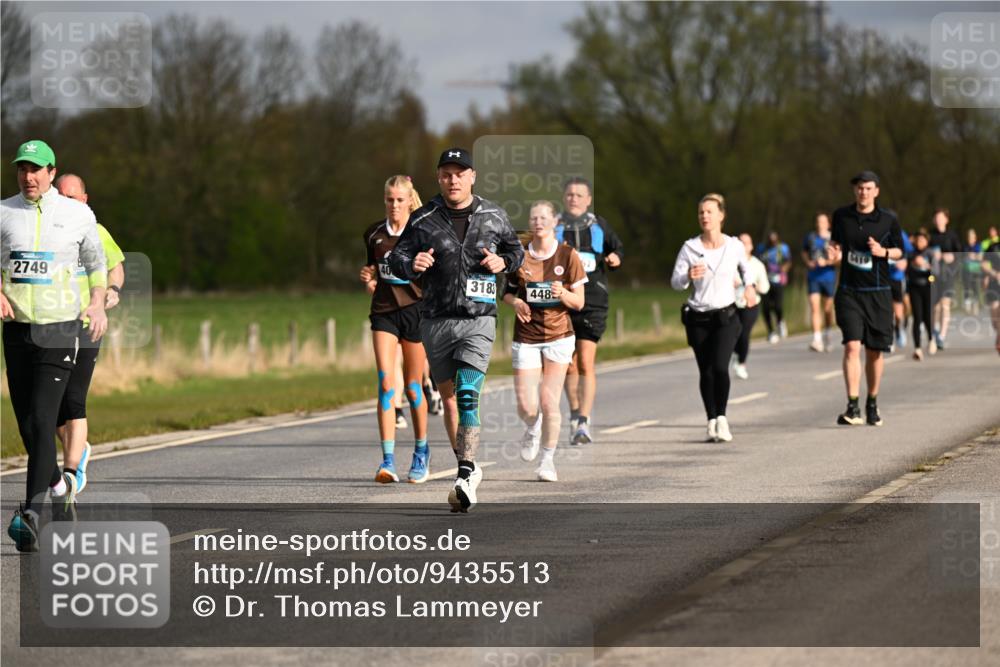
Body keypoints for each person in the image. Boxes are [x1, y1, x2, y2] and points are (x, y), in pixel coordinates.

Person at [388, 148, 523, 512]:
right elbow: (396, 258)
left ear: (472, 176)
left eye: (460, 173)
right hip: (435, 320)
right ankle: (469, 465)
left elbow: (516, 251)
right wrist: (412, 262)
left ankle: (464, 472)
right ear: (438, 178)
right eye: (446, 173)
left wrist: (503, 261)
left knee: (466, 393)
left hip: (479, 318)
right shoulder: (424, 217)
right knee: (448, 398)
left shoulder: (494, 215)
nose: (453, 180)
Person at [2, 140, 108, 551]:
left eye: (36, 169)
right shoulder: (4, 212)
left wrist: (98, 303)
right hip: (17, 330)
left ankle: (30, 513)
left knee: (46, 420)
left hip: (61, 330)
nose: (28, 176)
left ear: (51, 172)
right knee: (28, 426)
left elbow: (97, 266)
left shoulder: (78, 214)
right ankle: (61, 487)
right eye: (21, 169)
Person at [502, 201, 586, 481]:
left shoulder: (567, 255)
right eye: (534, 217)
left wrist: (562, 293)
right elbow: (506, 293)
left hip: (559, 336)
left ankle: (547, 461)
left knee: (549, 401)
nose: (538, 222)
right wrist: (515, 303)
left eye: (543, 217)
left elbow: (579, 303)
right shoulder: (520, 257)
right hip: (526, 335)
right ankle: (532, 426)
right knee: (527, 405)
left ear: (554, 222)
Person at [53, 173, 126, 494]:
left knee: (73, 398)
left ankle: (71, 473)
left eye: (72, 197)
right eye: (60, 196)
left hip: (86, 325)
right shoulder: (48, 235)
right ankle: (79, 448)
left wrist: (112, 290)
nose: (65, 203)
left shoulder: (96, 231)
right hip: (52, 324)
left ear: (84, 200)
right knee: (47, 408)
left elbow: (117, 266)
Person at [360, 175, 430, 484]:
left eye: (400, 200)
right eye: (390, 200)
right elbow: (374, 272)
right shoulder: (373, 234)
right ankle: (387, 461)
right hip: (385, 312)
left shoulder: (423, 233)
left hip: (416, 312)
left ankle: (421, 451)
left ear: (408, 200)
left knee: (414, 387)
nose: (394, 206)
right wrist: (370, 280)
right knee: (387, 384)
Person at [671, 193, 757, 443]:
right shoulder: (690, 248)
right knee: (706, 371)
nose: (705, 216)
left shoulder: (734, 246)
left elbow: (746, 268)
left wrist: (750, 286)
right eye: (701, 213)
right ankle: (710, 420)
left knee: (720, 366)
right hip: (698, 317)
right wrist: (687, 274)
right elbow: (675, 282)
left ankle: (722, 417)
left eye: (709, 212)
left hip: (726, 316)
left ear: (721, 215)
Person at [828, 171, 903, 427]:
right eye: (860, 188)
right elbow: (836, 245)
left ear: (876, 191)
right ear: (855, 191)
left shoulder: (888, 219)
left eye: (868, 188)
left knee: (874, 352)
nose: (863, 192)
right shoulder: (841, 216)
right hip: (849, 291)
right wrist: (833, 252)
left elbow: (900, 251)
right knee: (851, 346)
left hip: (878, 293)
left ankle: (872, 402)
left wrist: (883, 252)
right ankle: (852, 406)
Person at [554, 177, 624, 446]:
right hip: (562, 301)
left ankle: (583, 420)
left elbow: (617, 249)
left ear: (588, 199)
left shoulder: (599, 224)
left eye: (579, 194)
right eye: (569, 194)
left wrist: (615, 258)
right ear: (564, 198)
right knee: (567, 364)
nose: (574, 198)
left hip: (593, 300)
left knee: (585, 362)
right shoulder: (554, 225)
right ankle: (574, 411)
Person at [732, 232, 770, 380]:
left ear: (751, 246)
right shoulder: (731, 263)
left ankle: (742, 364)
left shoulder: (757, 265)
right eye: (740, 242)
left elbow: (765, 287)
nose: (743, 245)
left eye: (746, 242)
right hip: (733, 303)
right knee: (733, 333)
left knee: (744, 333)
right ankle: (735, 353)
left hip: (751, 304)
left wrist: (754, 287)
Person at [928, 208, 962, 350]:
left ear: (946, 220)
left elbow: (960, 253)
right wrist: (931, 255)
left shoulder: (952, 235)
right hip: (933, 275)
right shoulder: (930, 236)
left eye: (941, 218)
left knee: (945, 304)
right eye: (936, 218)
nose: (938, 220)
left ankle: (942, 335)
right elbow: (923, 251)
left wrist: (952, 257)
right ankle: (935, 329)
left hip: (948, 274)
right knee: (935, 306)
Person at [802, 212, 836, 352]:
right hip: (813, 277)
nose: (820, 224)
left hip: (828, 277)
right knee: (815, 307)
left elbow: (840, 258)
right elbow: (804, 252)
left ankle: (827, 333)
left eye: (823, 221)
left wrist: (827, 261)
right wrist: (808, 262)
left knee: (827, 309)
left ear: (828, 223)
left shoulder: (833, 238)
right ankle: (817, 339)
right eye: (818, 221)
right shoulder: (810, 237)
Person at [906, 231, 935, 360]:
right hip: (914, 288)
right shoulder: (911, 254)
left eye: (922, 240)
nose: (919, 243)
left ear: (926, 241)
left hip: (928, 287)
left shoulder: (930, 254)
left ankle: (931, 339)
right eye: (917, 240)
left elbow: (936, 273)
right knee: (917, 317)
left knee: (927, 316)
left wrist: (925, 265)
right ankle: (917, 348)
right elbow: (907, 271)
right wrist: (913, 264)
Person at [760, 231, 791, 343]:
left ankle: (780, 322)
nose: (772, 243)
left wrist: (784, 269)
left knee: (778, 306)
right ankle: (770, 331)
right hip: (765, 281)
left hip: (778, 280)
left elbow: (788, 262)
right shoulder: (762, 249)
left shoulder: (783, 248)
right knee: (766, 307)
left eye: (774, 241)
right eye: (770, 241)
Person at [887, 225, 913, 351]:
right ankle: (889, 337)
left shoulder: (900, 233)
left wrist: (905, 261)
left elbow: (909, 250)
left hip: (897, 277)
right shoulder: (875, 231)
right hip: (881, 278)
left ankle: (899, 329)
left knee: (898, 313)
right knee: (886, 310)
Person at [982, 240, 1000, 355]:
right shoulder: (993, 247)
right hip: (994, 283)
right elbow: (983, 264)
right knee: (995, 315)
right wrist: (993, 273)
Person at [961, 228, 982, 315]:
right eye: (969, 236)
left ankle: (976, 304)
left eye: (972, 236)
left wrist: (974, 257)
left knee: (975, 287)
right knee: (967, 286)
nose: (970, 238)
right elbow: (962, 257)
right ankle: (967, 304)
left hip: (975, 269)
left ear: (975, 237)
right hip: (966, 269)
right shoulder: (964, 246)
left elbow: (980, 257)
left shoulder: (978, 246)